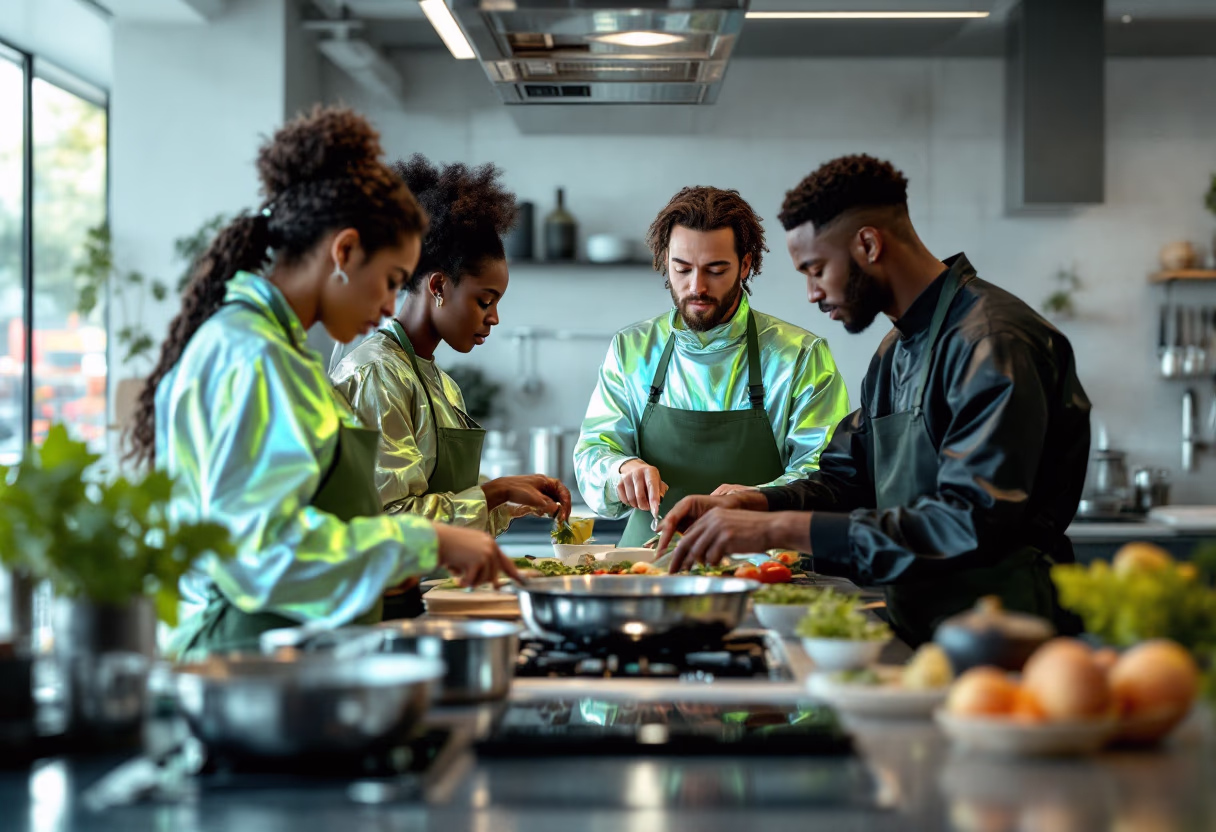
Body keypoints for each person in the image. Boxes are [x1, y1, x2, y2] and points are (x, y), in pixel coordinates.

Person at [129, 107, 518, 658]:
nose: (389, 306)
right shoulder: (253, 356)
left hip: (287, 659)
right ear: (344, 252)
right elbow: (266, 552)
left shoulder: (277, 352)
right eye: (388, 281)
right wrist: (424, 538)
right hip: (241, 660)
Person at [658, 155, 1091, 646]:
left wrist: (771, 529)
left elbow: (967, 521)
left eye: (816, 269)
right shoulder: (895, 352)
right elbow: (847, 481)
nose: (811, 294)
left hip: (1010, 642)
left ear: (867, 244)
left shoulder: (993, 342)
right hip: (923, 631)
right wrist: (748, 506)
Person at [330, 155, 570, 617]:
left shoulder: (438, 382)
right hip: (383, 609)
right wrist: (494, 492)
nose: (494, 318)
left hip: (432, 598)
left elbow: (441, 500)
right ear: (438, 285)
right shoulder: (376, 373)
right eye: (485, 300)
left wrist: (513, 495)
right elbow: (390, 521)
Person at [573, 186, 851, 547]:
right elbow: (593, 451)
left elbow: (824, 475)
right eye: (682, 269)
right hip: (643, 569)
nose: (696, 287)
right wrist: (619, 471)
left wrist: (758, 499)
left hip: (759, 568)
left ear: (745, 265)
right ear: (663, 261)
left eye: (715, 270)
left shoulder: (800, 355)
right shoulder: (632, 349)